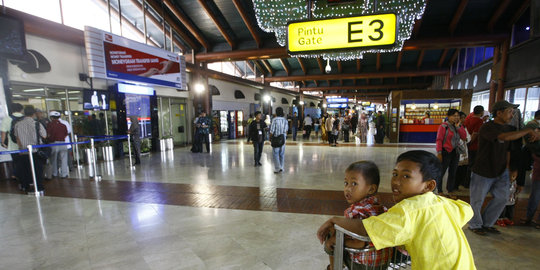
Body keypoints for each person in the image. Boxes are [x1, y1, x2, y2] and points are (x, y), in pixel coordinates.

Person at [317, 150, 476, 269]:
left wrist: (334, 220)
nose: (396, 182)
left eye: (406, 176)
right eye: (395, 174)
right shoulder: (442, 203)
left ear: (428, 185)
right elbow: (467, 210)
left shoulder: (407, 210)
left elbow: (367, 229)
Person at [469, 100, 540, 235]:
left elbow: (509, 150)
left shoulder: (511, 129)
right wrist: (528, 131)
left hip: (501, 171)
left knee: (502, 198)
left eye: (513, 112)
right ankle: (475, 225)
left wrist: (510, 168)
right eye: (509, 112)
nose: (512, 115)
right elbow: (503, 137)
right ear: (499, 113)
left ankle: (487, 223)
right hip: (483, 170)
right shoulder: (487, 127)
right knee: (477, 200)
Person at [322, 161, 390, 270]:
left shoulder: (356, 211)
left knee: (331, 234)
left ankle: (333, 268)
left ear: (371, 189)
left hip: (363, 266)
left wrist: (334, 240)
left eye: (354, 184)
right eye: (346, 183)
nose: (348, 188)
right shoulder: (379, 206)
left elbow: (359, 244)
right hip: (383, 262)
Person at [13, 106, 47, 193]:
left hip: (24, 151)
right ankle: (39, 187)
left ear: (24, 113)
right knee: (38, 170)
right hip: (36, 151)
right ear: (34, 114)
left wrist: (21, 148)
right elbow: (44, 136)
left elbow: (17, 139)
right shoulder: (37, 124)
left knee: (26, 170)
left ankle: (26, 186)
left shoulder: (17, 124)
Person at [435, 109, 467, 195]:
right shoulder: (444, 126)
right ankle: (440, 190)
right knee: (441, 172)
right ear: (448, 116)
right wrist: (439, 152)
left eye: (457, 116)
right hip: (446, 152)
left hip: (455, 152)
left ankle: (450, 190)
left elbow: (464, 137)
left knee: (453, 172)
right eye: (454, 116)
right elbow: (439, 140)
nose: (456, 118)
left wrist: (458, 127)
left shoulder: (459, 126)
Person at [523, 110, 540, 228]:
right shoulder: (531, 127)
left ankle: (532, 218)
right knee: (535, 193)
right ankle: (530, 217)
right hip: (538, 168)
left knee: (535, 193)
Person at [0, 103, 24, 180]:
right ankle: (24, 176)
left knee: (16, 161)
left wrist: (3, 142)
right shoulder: (26, 118)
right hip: (26, 144)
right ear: (21, 110)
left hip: (13, 144)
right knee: (25, 160)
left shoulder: (7, 119)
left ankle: (17, 175)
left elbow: (3, 132)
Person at [464, 105, 485, 189]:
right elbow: (475, 134)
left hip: (467, 144)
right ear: (481, 112)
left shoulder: (468, 119)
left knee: (467, 164)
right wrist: (469, 143)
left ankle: (464, 181)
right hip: (474, 146)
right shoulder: (479, 121)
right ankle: (468, 183)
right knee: (472, 164)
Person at [46, 111, 69, 179]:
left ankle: (54, 173)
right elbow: (65, 134)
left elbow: (48, 134)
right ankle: (64, 174)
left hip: (53, 143)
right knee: (64, 159)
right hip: (63, 143)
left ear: (51, 117)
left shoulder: (50, 125)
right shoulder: (63, 125)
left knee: (53, 160)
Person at [269, 107, 288, 173]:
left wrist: (270, 138)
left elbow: (272, 131)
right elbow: (286, 130)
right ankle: (281, 167)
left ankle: (277, 168)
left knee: (275, 154)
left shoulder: (274, 120)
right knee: (282, 154)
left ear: (276, 112)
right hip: (283, 139)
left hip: (276, 138)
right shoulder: (285, 120)